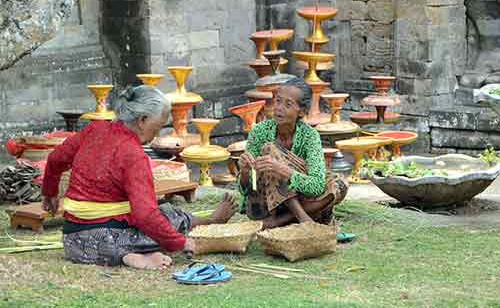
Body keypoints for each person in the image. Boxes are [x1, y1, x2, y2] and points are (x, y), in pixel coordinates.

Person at [42, 85, 237, 269]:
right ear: (142, 120)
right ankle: (133, 253)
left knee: (162, 214)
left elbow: (55, 159)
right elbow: (145, 215)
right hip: (110, 237)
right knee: (170, 218)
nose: (156, 134)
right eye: (157, 126)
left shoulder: (94, 129)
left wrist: (49, 194)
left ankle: (124, 255)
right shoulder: (133, 154)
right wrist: (179, 242)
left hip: (74, 241)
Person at [238, 77, 348, 229]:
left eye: (287, 104)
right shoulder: (259, 131)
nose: (278, 108)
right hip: (265, 204)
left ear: (301, 111)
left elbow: (316, 186)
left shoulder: (310, 136)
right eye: (277, 101)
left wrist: (283, 170)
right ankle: (303, 217)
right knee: (269, 150)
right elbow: (250, 189)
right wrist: (245, 172)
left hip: (302, 199)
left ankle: (280, 221)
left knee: (339, 183)